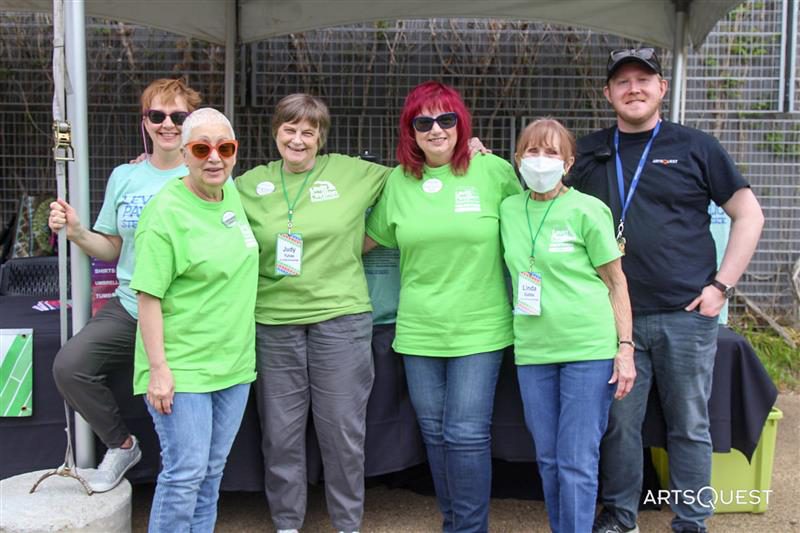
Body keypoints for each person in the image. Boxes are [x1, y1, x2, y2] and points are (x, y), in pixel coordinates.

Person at [568, 49, 764, 533]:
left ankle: (692, 519)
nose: (633, 88)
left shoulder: (696, 146)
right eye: (622, 81)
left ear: (662, 88)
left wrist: (721, 286)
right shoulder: (589, 152)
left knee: (690, 425)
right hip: (611, 316)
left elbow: (749, 214)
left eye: (643, 79)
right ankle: (620, 515)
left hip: (685, 313)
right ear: (607, 94)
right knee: (619, 427)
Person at [365, 81, 523, 533]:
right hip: (418, 329)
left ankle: (469, 529)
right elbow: (366, 241)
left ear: (461, 124)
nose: (436, 129)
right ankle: (454, 521)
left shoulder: (491, 171)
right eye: (424, 121)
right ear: (410, 131)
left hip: (480, 325)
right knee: (434, 434)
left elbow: (536, 215)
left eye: (446, 119)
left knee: (466, 434)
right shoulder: (398, 181)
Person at [235, 93, 391, 533]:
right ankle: (287, 523)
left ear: (321, 137)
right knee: (280, 434)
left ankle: (346, 524)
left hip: (340, 318)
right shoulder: (251, 182)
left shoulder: (351, 171)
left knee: (342, 432)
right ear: (275, 132)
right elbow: (204, 189)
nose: (299, 139)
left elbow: (413, 176)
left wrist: (471, 154)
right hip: (273, 321)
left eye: (309, 131)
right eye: (290, 129)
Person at [47, 78, 201, 492]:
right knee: (70, 365)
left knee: (177, 412)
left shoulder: (206, 174)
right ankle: (122, 445)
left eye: (178, 116)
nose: (167, 124)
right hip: (130, 304)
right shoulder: (124, 177)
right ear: (144, 122)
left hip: (182, 313)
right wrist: (77, 231)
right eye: (157, 115)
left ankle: (184, 491)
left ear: (192, 123)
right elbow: (112, 248)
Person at [499, 118, 635, 533]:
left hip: (587, 349)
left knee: (577, 461)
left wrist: (625, 347)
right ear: (518, 159)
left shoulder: (588, 210)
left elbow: (616, 281)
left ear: (569, 162)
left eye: (552, 152)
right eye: (533, 151)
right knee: (550, 459)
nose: (542, 160)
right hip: (534, 349)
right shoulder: (507, 208)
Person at [131, 108, 258, 532]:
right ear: (184, 154)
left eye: (225, 148)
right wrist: (159, 370)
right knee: (185, 475)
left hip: (233, 365)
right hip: (182, 367)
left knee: (211, 474)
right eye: (202, 149)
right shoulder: (164, 213)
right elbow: (148, 297)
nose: (214, 158)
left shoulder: (232, 194)